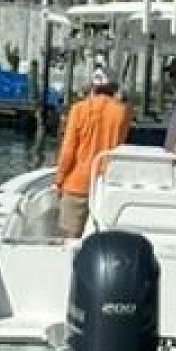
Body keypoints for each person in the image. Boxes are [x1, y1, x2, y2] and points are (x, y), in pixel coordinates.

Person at [55, 67, 132, 238]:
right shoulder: (123, 112)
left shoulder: (78, 109)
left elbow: (68, 150)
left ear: (91, 86)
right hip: (105, 181)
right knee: (102, 235)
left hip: (77, 182)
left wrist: (59, 179)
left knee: (68, 237)